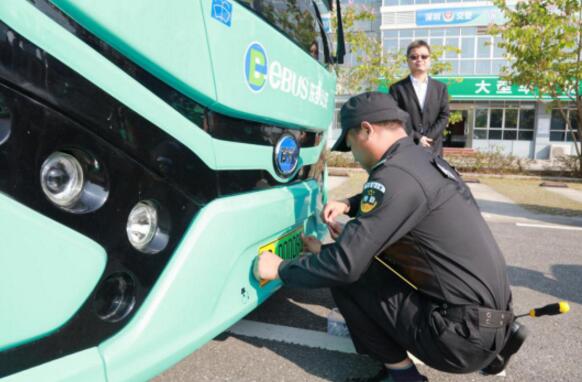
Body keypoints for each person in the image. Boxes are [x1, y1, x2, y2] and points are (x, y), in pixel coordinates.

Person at [255, 92, 513, 382]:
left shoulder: (393, 175)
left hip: (459, 338)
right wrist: (351, 206)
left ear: (367, 129)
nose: (353, 155)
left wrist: (278, 269)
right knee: (360, 259)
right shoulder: (421, 160)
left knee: (349, 279)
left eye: (351, 145)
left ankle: (403, 378)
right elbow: (404, 207)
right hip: (493, 326)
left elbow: (345, 266)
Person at [390, 40, 449, 156]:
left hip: (433, 148)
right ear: (407, 60)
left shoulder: (440, 88)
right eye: (414, 57)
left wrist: (428, 137)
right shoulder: (397, 89)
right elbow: (396, 119)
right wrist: (417, 137)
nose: (419, 60)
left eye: (424, 56)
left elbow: (444, 116)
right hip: (407, 148)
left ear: (429, 59)